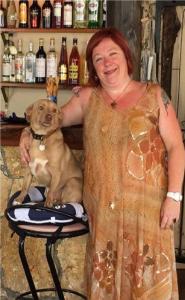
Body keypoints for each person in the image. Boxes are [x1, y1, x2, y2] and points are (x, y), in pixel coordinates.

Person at [19, 28, 185, 300]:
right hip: (104, 217)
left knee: (148, 287)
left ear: (126, 57)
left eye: (112, 54)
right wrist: (26, 132)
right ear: (93, 67)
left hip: (148, 216)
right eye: (98, 58)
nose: (107, 62)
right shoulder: (87, 99)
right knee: (106, 288)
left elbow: (176, 146)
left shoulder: (154, 95)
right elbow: (52, 120)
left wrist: (174, 196)